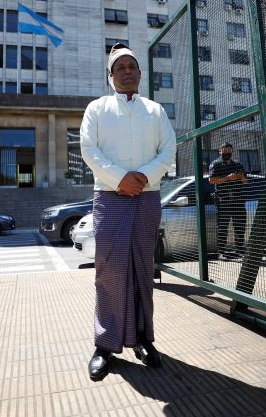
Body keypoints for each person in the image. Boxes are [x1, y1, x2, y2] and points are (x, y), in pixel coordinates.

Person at [80, 43, 176, 382]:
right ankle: (105, 345)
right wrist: (119, 179)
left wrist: (144, 178)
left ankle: (143, 339)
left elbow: (168, 150)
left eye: (132, 66)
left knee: (142, 271)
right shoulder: (96, 108)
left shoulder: (155, 110)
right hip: (109, 196)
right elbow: (88, 150)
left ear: (140, 72)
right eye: (120, 67)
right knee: (109, 271)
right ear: (110, 76)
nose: (127, 71)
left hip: (147, 197)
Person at [208, 143, 248, 260]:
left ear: (232, 151)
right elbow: (211, 180)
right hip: (223, 200)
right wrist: (228, 178)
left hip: (238, 200)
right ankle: (221, 252)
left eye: (228, 150)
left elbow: (246, 182)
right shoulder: (216, 164)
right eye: (224, 150)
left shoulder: (238, 165)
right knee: (222, 226)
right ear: (220, 151)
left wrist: (241, 177)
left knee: (240, 225)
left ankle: (240, 250)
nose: (226, 152)